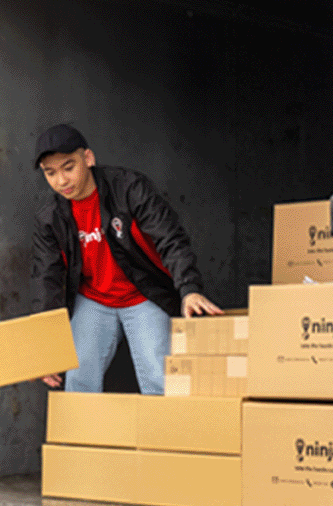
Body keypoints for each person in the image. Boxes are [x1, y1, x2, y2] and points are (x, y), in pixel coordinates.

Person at [32, 123, 222, 395]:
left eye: (68, 167)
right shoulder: (51, 217)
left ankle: (162, 438)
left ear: (88, 158)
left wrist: (189, 290)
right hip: (94, 299)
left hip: (143, 293)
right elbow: (45, 279)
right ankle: (79, 439)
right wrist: (46, 344)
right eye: (50, 173)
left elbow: (170, 238)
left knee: (159, 377)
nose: (61, 181)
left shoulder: (129, 189)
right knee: (78, 380)